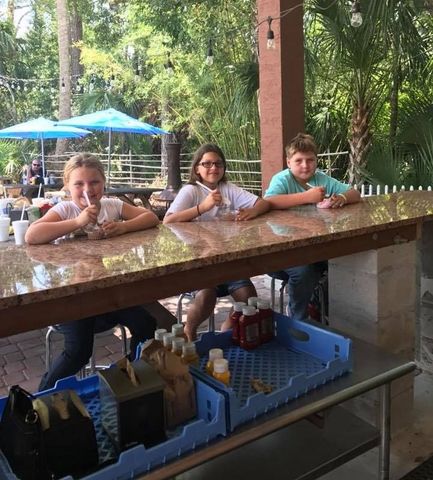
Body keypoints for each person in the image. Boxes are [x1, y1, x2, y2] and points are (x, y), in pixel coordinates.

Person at [25, 153, 160, 391]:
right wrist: (77, 222)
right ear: (68, 187)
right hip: (72, 299)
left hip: (107, 294)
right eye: (79, 183)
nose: (88, 188)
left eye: (94, 182)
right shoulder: (66, 209)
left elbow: (151, 217)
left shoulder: (112, 205)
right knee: (79, 351)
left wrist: (123, 227)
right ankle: (42, 397)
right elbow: (32, 235)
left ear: (104, 183)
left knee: (147, 324)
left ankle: (125, 377)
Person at [163, 143, 270, 340]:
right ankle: (189, 332)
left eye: (218, 164)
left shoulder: (227, 189)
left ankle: (228, 325)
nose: (213, 168)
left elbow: (262, 203)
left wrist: (249, 212)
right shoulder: (191, 191)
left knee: (249, 297)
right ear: (197, 168)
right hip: (199, 260)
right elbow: (168, 221)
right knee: (206, 296)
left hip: (226, 258)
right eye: (207, 164)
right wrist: (203, 207)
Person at [264, 133, 361, 322]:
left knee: (343, 261)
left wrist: (341, 198)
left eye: (310, 160)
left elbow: (355, 193)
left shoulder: (321, 179)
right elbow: (269, 201)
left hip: (314, 247)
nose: (305, 165)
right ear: (288, 162)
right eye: (298, 160)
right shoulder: (282, 180)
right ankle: (298, 318)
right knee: (303, 272)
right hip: (282, 249)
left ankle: (321, 308)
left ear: (316, 161)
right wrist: (307, 197)